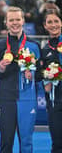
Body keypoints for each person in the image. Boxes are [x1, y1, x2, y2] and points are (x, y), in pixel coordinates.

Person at [0, 6, 41, 153]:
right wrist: (0, 67)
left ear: (23, 21)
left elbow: (40, 74)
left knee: (26, 142)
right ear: (5, 22)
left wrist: (32, 74)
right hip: (6, 98)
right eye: (11, 20)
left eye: (18, 19)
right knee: (6, 142)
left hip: (27, 98)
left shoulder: (34, 46)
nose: (15, 23)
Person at [41, 10, 62, 153]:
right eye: (50, 22)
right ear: (45, 26)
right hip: (55, 100)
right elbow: (41, 71)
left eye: (56, 21)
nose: (53, 25)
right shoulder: (45, 49)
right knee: (57, 141)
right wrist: (45, 81)